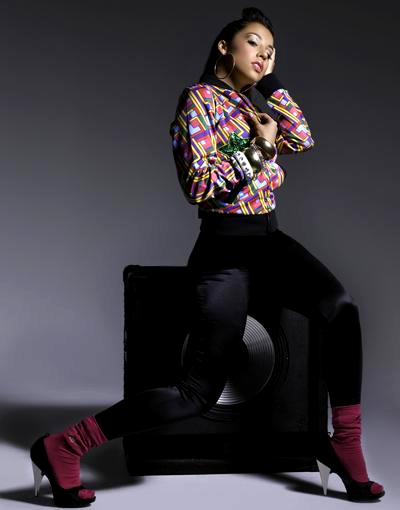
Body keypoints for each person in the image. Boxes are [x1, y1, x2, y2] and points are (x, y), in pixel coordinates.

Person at [29, 6, 385, 507]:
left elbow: (303, 138)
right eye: (254, 43)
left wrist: (270, 84)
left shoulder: (252, 107)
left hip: (269, 241)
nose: (264, 54)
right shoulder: (197, 100)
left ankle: (344, 443)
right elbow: (199, 186)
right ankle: (65, 445)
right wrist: (261, 152)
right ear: (224, 46)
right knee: (198, 393)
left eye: (272, 50)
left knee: (341, 310)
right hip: (224, 250)